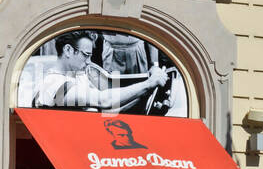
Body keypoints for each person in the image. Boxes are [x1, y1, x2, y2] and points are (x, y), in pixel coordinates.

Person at [36, 31, 169, 111]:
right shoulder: (54, 85)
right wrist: (148, 84)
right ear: (68, 50)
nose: (89, 61)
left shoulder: (78, 73)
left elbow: (107, 109)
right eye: (86, 55)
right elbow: (103, 101)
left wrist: (145, 93)